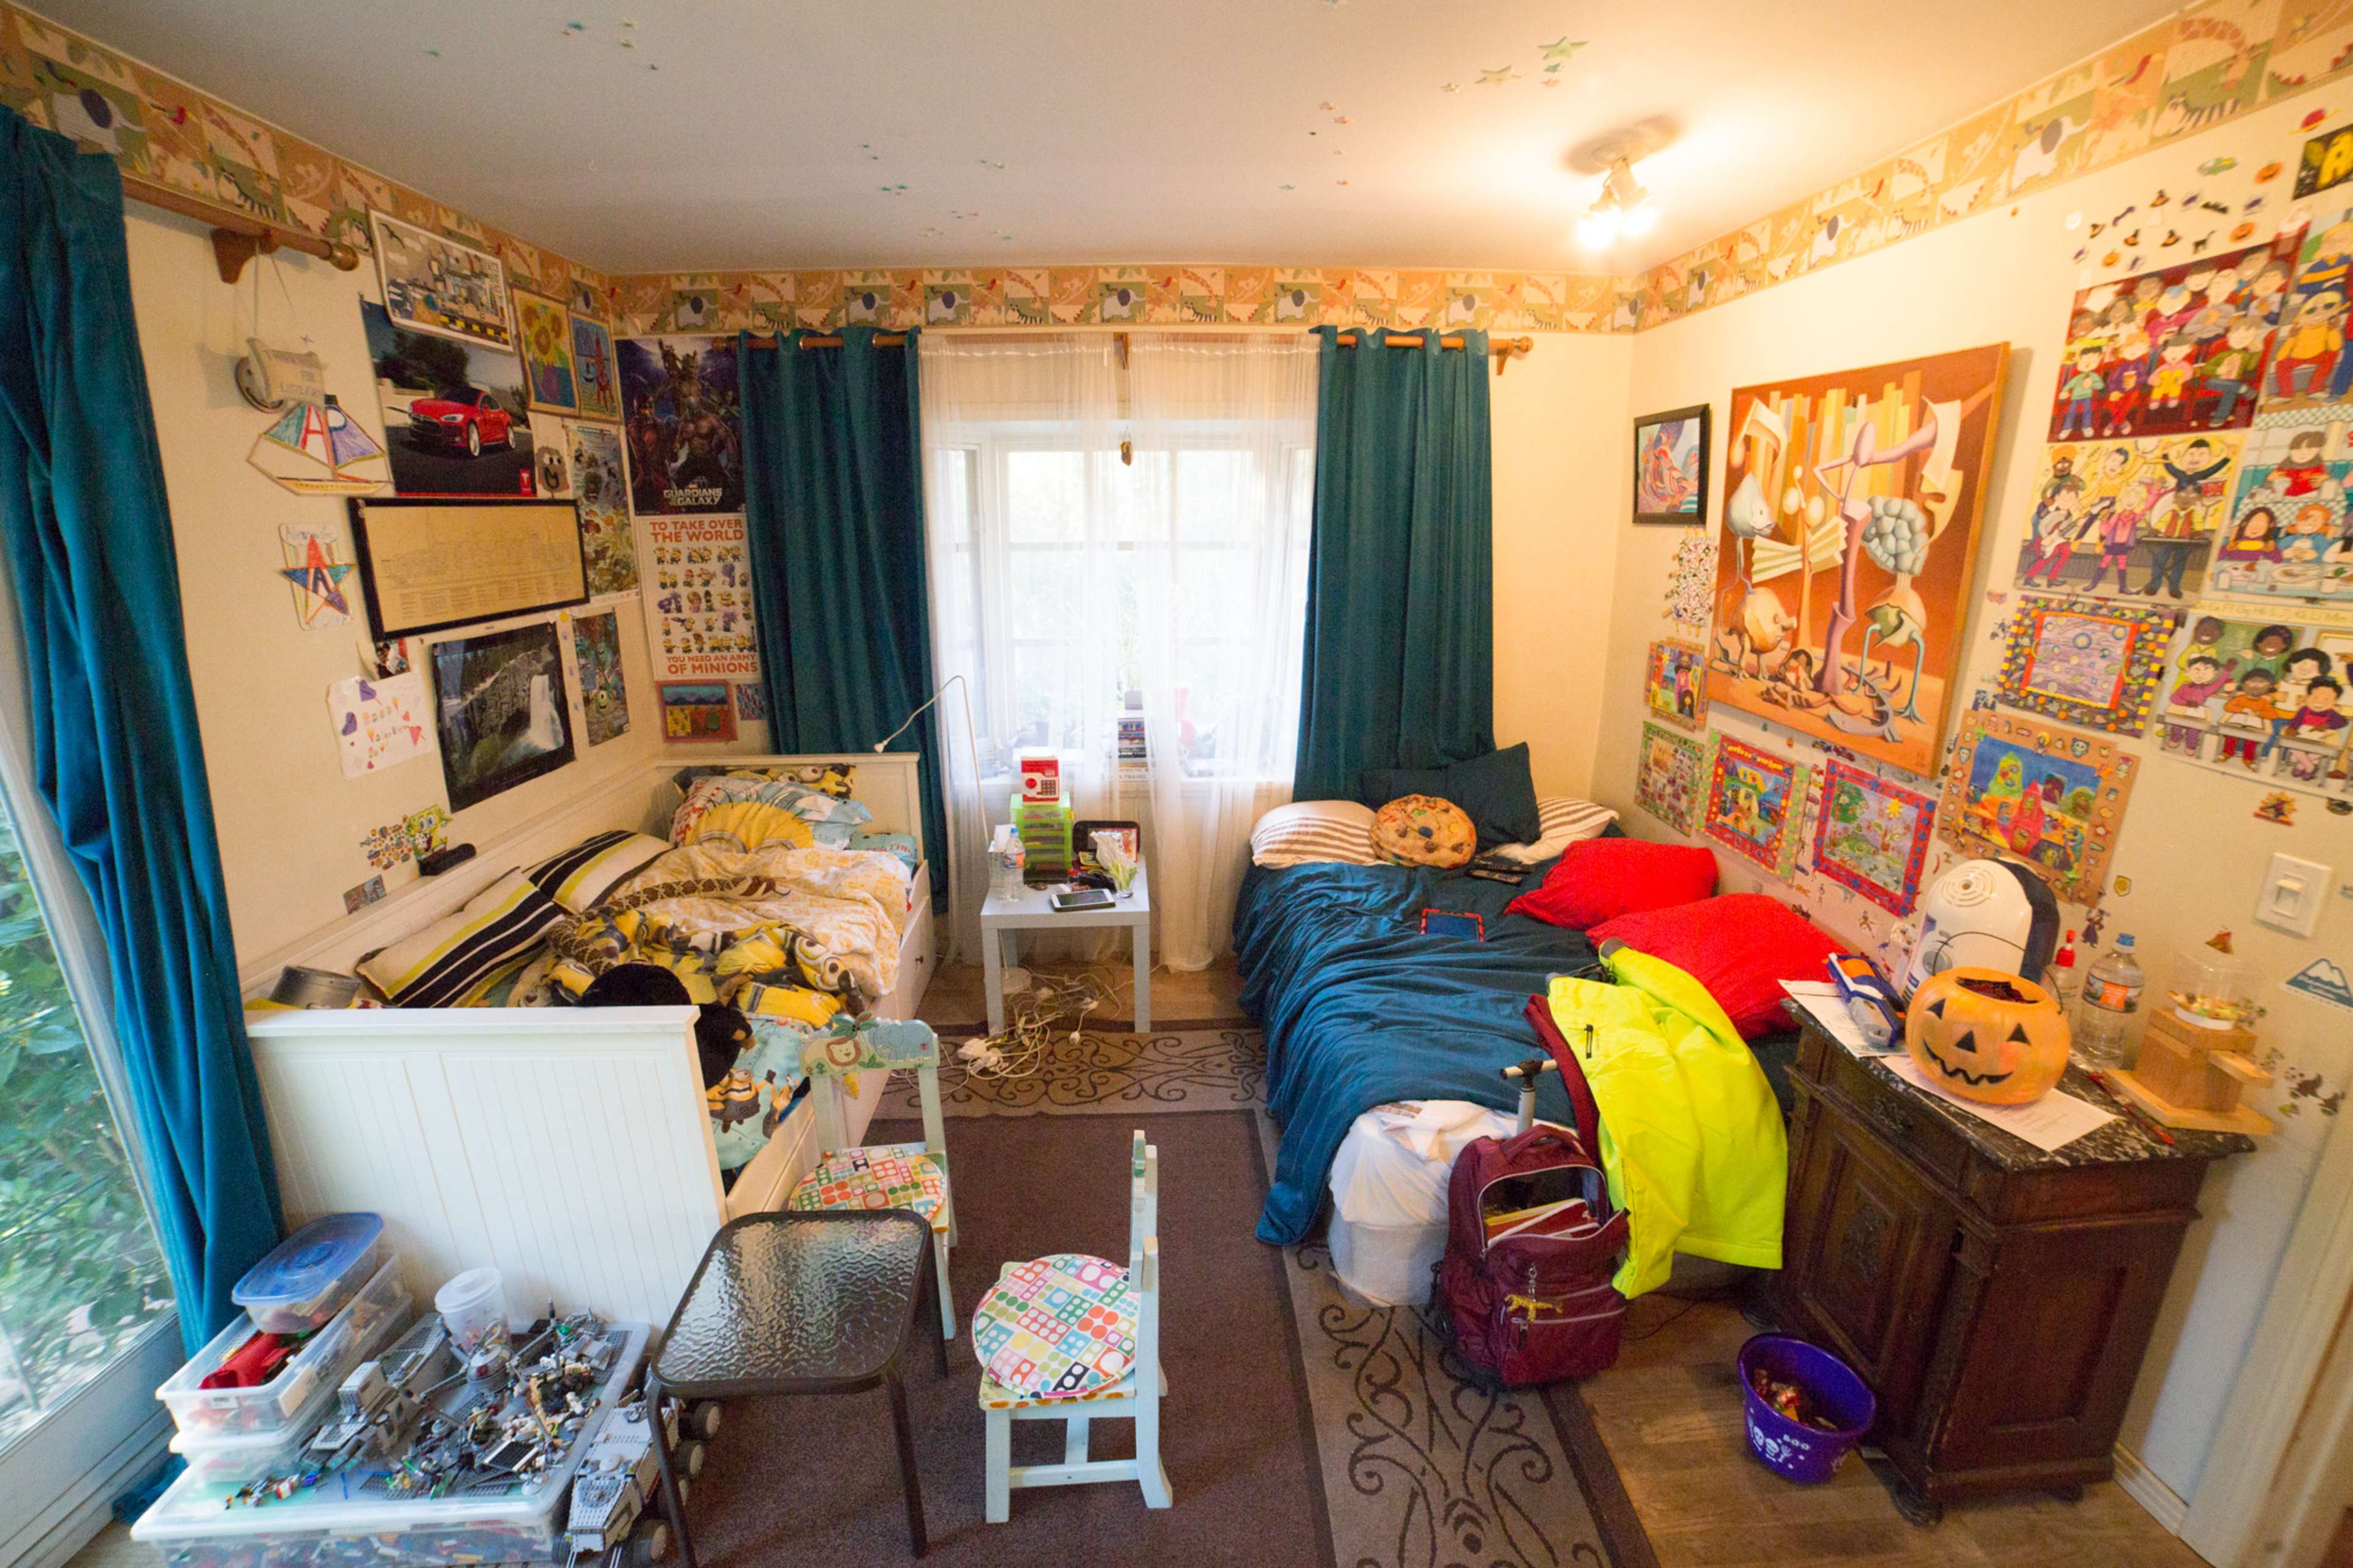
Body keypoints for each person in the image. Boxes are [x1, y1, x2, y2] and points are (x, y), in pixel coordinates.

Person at [2056, 348, 2105, 438]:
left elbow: (2101, 385)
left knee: (2087, 412)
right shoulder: (2079, 377)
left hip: (2087, 398)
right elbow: (2069, 385)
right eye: (2085, 360)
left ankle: (2086, 427)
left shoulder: (2094, 376)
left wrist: (2092, 384)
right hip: (2075, 398)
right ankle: (2067, 428)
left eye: (2093, 361)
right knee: (2071, 412)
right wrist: (2064, 391)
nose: (2088, 363)